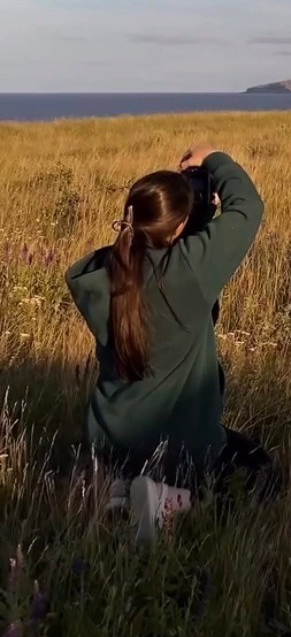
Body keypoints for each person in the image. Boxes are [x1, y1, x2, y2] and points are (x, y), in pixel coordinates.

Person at [66, 144, 271, 541]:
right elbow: (248, 207)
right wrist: (214, 157)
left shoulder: (106, 273)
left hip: (110, 439)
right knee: (260, 476)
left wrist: (188, 217)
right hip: (179, 445)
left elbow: (152, 255)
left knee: (140, 466)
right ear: (180, 228)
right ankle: (172, 499)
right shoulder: (187, 273)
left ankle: (117, 488)